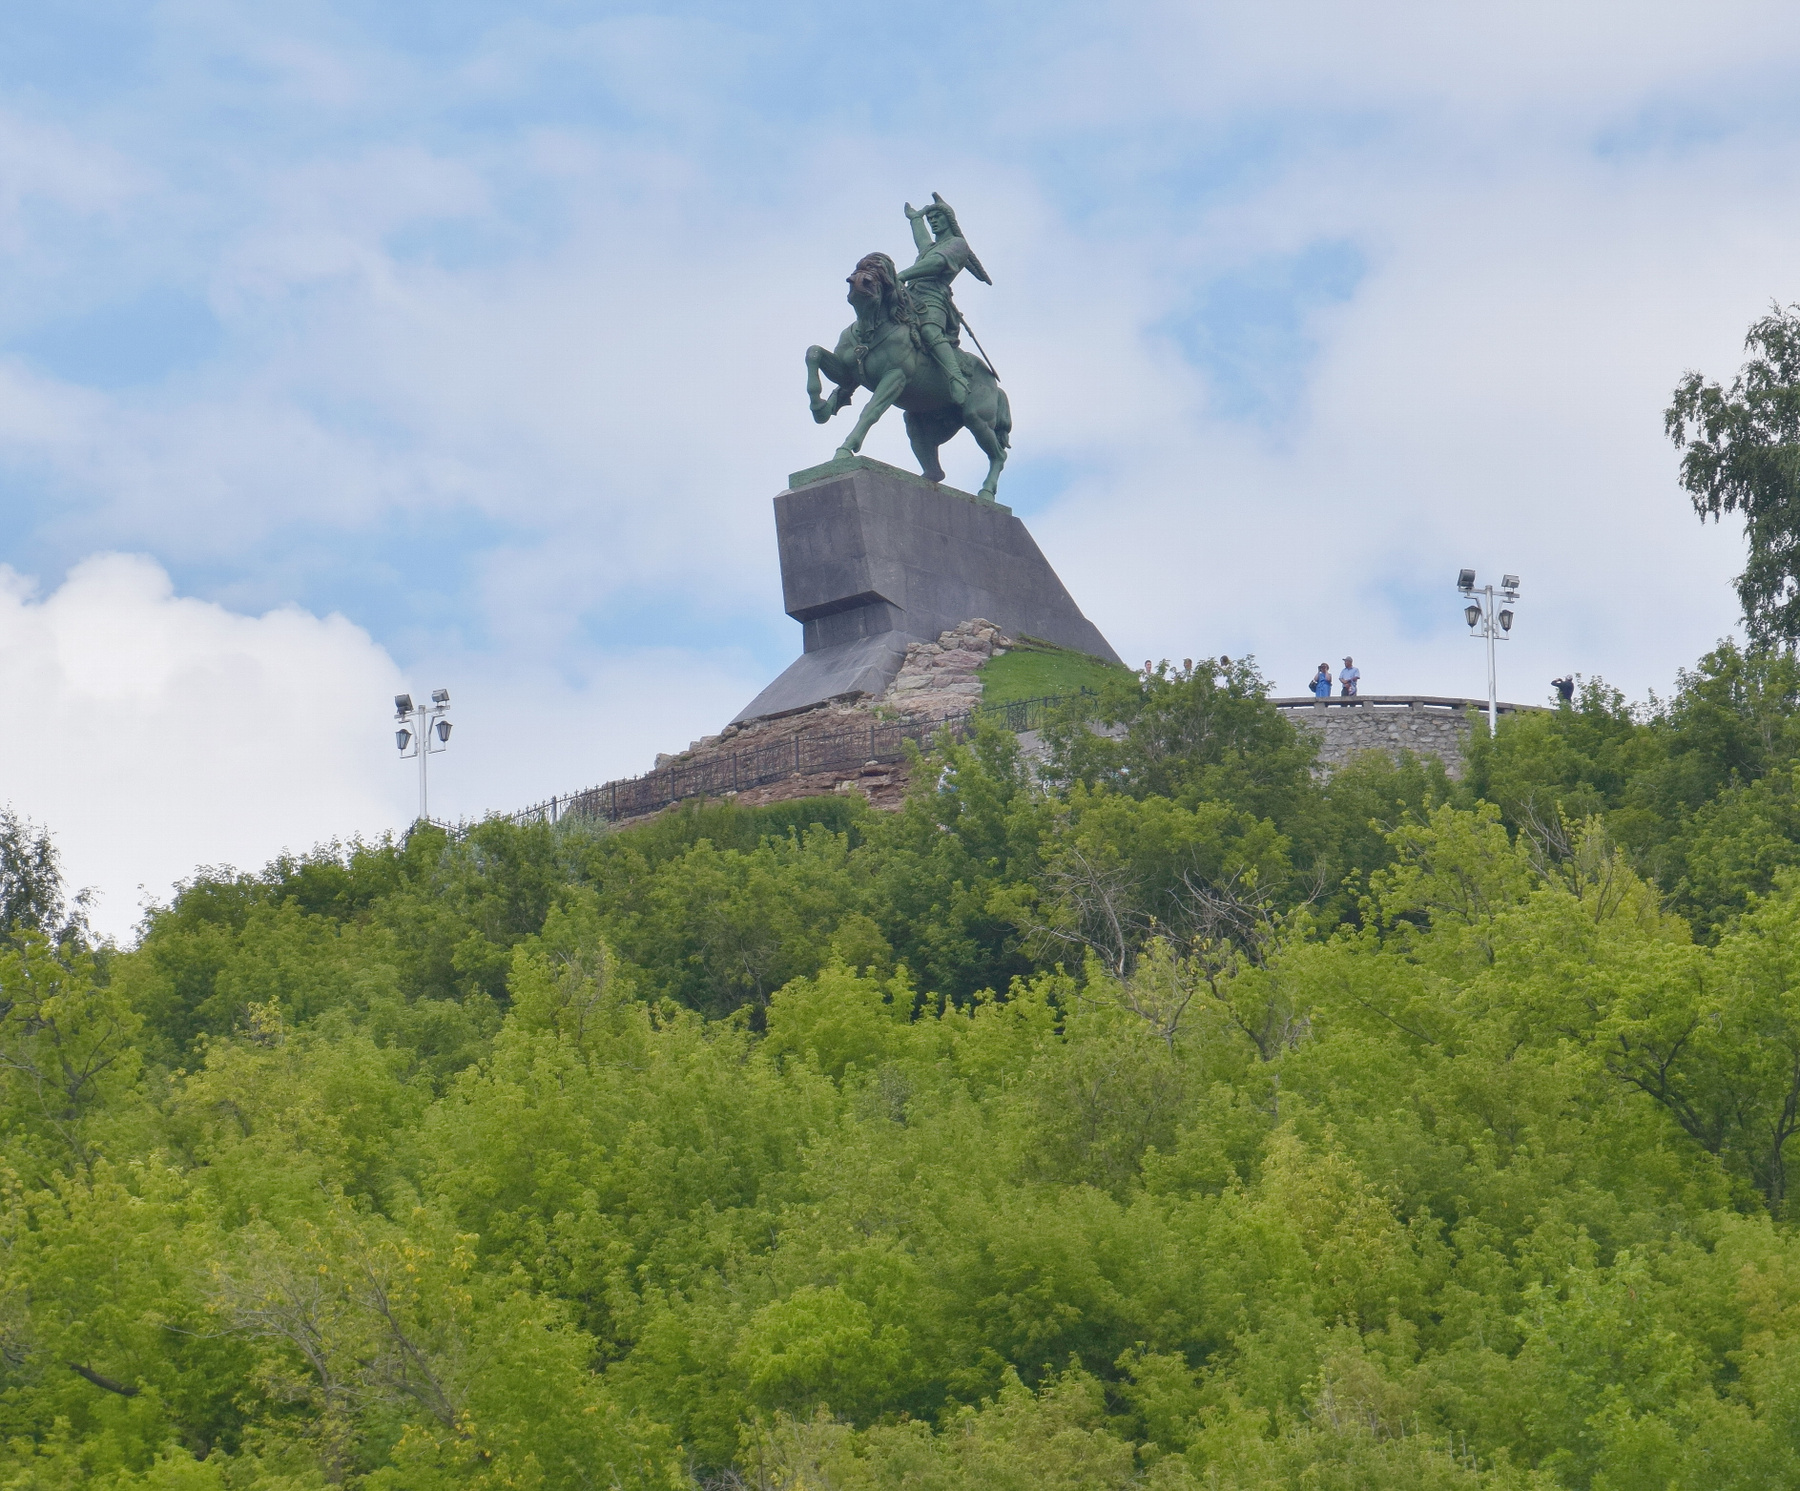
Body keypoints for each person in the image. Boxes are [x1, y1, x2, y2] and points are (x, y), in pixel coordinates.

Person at [897, 194, 990, 406]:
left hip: (933, 297)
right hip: (910, 295)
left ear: (949, 219)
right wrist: (916, 218)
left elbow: (937, 263)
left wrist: (903, 274)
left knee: (930, 331)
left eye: (937, 217)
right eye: (930, 219)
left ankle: (956, 378)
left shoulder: (958, 244)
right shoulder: (929, 247)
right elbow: (922, 240)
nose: (933, 222)